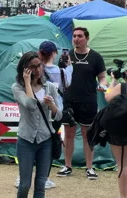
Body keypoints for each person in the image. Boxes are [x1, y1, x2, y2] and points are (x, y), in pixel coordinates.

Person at [14, 41, 72, 190]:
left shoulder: (50, 87)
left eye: (39, 65)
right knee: (24, 184)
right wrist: (27, 82)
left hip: (45, 139)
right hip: (26, 139)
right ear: (25, 69)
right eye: (33, 66)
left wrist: (52, 105)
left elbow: (58, 116)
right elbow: (31, 105)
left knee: (40, 184)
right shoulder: (17, 87)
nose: (37, 69)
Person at [57, 27, 107, 179]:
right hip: (69, 101)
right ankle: (67, 166)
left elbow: (103, 77)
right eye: (74, 36)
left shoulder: (96, 57)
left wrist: (103, 85)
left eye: (80, 36)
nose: (76, 39)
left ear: (86, 38)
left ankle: (89, 168)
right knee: (69, 135)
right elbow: (60, 77)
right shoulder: (66, 56)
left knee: (88, 135)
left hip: (88, 101)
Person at [100, 73, 127, 198]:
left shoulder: (122, 86)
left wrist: (113, 80)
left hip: (120, 129)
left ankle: (123, 195)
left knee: (123, 165)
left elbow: (108, 96)